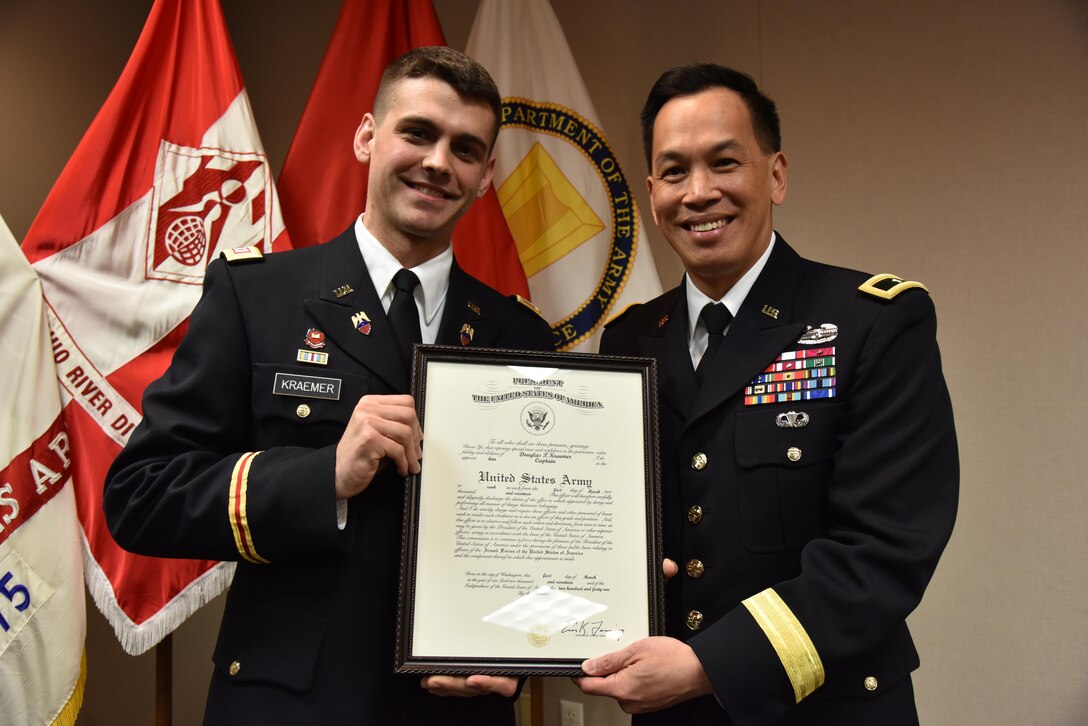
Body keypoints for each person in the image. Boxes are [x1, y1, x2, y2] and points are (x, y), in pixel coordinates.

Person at [104, 46, 552, 725]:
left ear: (486, 175)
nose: (438, 162)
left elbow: (541, 539)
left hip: (455, 711)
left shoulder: (519, 335)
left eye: (465, 149)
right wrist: (324, 476)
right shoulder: (255, 298)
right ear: (368, 136)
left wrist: (521, 650)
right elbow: (142, 496)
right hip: (290, 704)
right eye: (417, 133)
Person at [576, 63, 958, 725]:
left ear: (775, 174)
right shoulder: (631, 341)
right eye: (673, 172)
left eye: (725, 163)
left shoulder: (871, 322)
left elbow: (884, 551)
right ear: (650, 191)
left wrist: (709, 666)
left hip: (825, 708)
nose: (699, 193)